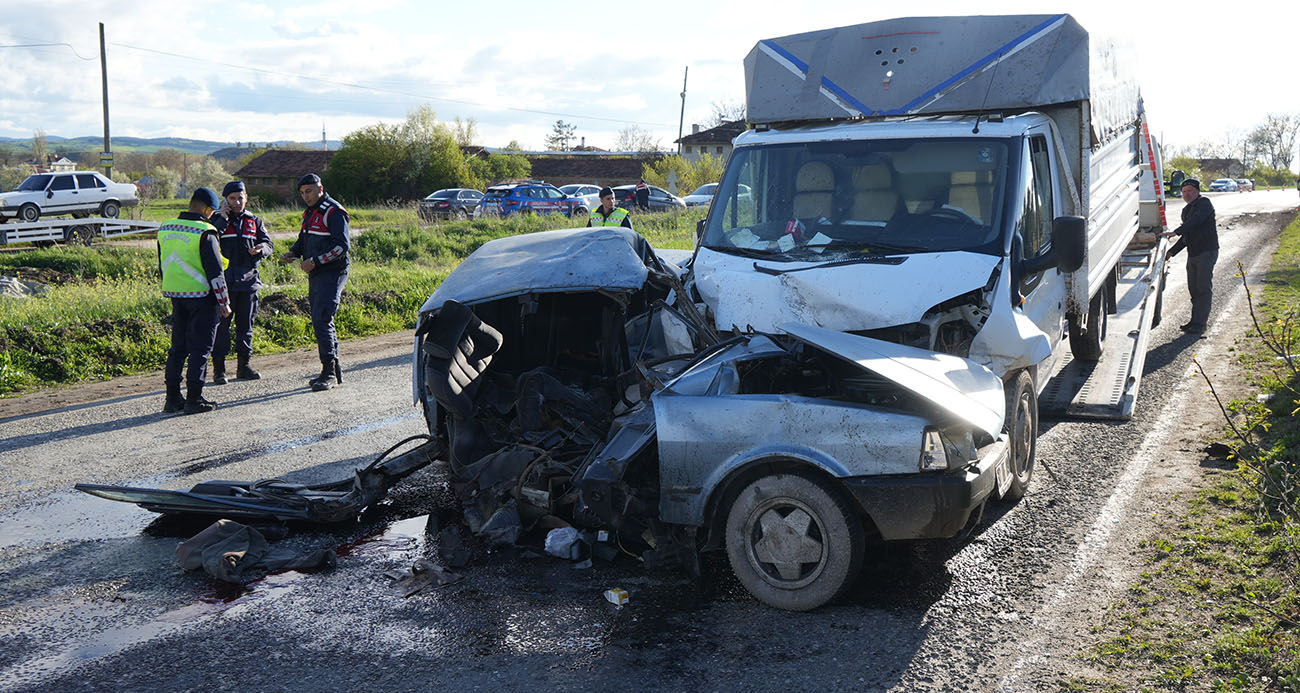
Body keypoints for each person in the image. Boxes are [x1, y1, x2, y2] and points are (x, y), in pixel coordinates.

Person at [159, 188, 231, 415]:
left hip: (176, 294)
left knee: (178, 348)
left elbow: (161, 262)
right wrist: (224, 302)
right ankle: (194, 399)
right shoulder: (206, 231)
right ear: (209, 209)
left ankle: (172, 398)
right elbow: (215, 271)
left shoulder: (166, 227)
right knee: (200, 349)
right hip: (202, 297)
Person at [280, 173, 349, 391]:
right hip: (317, 272)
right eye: (302, 193)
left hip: (333, 271)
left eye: (309, 191)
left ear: (320, 188)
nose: (305, 196)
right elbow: (304, 238)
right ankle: (333, 368)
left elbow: (341, 247)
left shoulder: (334, 211)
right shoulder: (309, 213)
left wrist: (315, 261)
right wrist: (293, 252)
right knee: (320, 318)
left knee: (322, 317)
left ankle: (328, 372)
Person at [210, 181, 272, 384]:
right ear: (225, 201)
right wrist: (223, 218)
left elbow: (268, 243)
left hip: (249, 283)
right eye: (232, 199)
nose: (237, 202)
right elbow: (210, 240)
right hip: (224, 285)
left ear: (246, 197)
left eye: (240, 197)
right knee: (221, 328)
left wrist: (262, 249)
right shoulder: (217, 221)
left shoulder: (255, 221)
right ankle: (219, 371)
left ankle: (243, 367)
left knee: (246, 327)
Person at [1160, 178, 1218, 335]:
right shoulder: (1186, 211)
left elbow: (1196, 222)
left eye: (1190, 191)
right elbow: (1187, 235)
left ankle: (1201, 324)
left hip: (1207, 252)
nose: (1187, 194)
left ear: (1198, 191)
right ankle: (1194, 321)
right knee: (1194, 289)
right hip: (1193, 254)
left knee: (1203, 289)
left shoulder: (1204, 204)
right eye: (1184, 192)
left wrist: (1175, 231)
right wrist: (1171, 252)